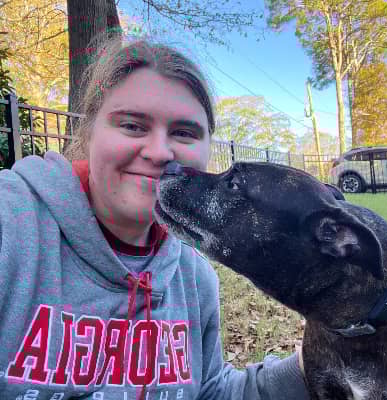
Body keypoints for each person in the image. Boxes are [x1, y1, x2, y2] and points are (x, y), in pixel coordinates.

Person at [0, 36, 310, 400]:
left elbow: (210, 391)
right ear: (89, 133)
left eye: (183, 133)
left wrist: (314, 365)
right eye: (132, 125)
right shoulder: (12, 224)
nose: (160, 152)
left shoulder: (194, 276)